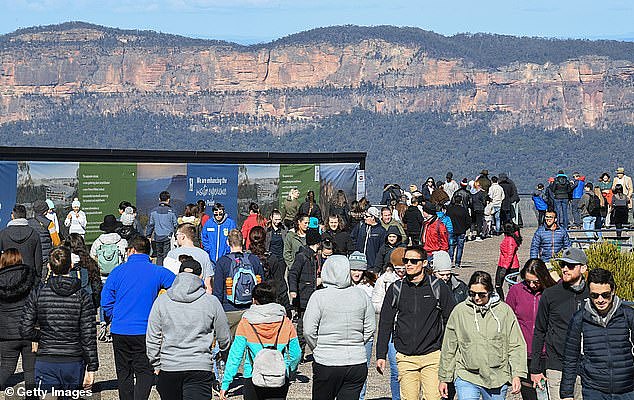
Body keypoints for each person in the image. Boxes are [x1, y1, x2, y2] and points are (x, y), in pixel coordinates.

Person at [101, 236, 176, 400]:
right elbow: (178, 286)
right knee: (145, 371)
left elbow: (105, 301)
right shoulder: (157, 271)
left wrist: (113, 316)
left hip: (120, 329)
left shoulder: (117, 271)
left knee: (124, 372)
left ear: (131, 250)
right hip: (145, 330)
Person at [376, 246, 456, 400]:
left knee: (434, 397)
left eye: (414, 261)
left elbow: (451, 320)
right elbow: (385, 322)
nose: (408, 264)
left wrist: (446, 349)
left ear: (424, 263)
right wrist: (381, 354)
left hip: (433, 355)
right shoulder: (396, 289)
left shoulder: (438, 287)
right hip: (406, 357)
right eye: (406, 261)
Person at [146, 258, 231, 400]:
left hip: (170, 365)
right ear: (201, 277)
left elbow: (152, 336)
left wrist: (156, 362)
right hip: (200, 365)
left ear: (178, 275)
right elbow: (224, 336)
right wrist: (223, 352)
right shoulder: (211, 302)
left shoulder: (162, 300)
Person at [21, 246, 98, 392]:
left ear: (49, 266)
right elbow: (88, 336)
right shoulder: (82, 296)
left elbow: (25, 329)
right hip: (73, 359)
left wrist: (42, 335)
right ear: (71, 265)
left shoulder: (38, 293)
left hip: (47, 358)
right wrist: (92, 367)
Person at [438, 271, 525, 400]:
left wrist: (517, 374)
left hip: (497, 376)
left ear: (490, 292)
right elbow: (449, 347)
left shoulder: (504, 311)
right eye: (472, 294)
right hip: (466, 374)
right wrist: (444, 378)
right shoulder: (460, 311)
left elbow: (516, 344)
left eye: (482, 294)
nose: (477, 298)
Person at [303, 255, 376, 400]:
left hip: (327, 360)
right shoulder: (361, 295)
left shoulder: (319, 296)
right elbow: (370, 327)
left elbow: (308, 330)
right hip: (356, 361)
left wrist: (317, 347)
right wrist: (357, 343)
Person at [220, 281, 302, 400]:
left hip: (252, 377)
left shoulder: (246, 322)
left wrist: (226, 383)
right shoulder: (285, 322)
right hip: (279, 377)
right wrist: (289, 371)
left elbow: (235, 355)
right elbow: (296, 354)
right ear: (275, 299)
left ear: (254, 300)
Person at [561, 268, 634, 400]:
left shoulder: (628, 315)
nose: (600, 300)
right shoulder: (580, 319)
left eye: (605, 295)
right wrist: (567, 393)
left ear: (613, 291)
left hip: (627, 389)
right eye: (595, 295)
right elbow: (570, 357)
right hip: (594, 390)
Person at [530, 247, 589, 400]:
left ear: (583, 268)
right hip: (557, 366)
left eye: (570, 265)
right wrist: (535, 368)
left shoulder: (593, 294)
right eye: (563, 264)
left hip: (586, 367)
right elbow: (540, 331)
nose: (565, 269)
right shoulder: (551, 294)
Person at [506, 258, 557, 400]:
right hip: (525, 353)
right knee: (530, 395)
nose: (532, 285)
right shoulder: (516, 291)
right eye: (528, 281)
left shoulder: (552, 292)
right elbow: (507, 320)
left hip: (549, 353)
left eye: (536, 281)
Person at [213, 229, 264, 335]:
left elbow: (217, 291)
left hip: (229, 310)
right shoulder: (253, 259)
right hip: (250, 310)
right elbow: (261, 286)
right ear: (243, 242)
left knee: (230, 345)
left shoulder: (223, 262)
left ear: (228, 242)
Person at [0, 249, 37, 396]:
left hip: (6, 332)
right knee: (30, 369)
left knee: (7, 367)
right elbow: (37, 303)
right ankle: (32, 394)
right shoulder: (30, 276)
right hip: (28, 328)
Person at [371, 248, 406, 400]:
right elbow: (375, 303)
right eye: (398, 269)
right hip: (392, 328)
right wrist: (389, 308)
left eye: (403, 268)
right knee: (396, 369)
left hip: (408, 328)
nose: (401, 272)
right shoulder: (384, 280)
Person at [288, 228, 322, 359]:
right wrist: (293, 290)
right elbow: (293, 273)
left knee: (311, 324)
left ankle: (306, 351)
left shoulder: (312, 257)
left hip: (309, 294)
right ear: (317, 243)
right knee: (302, 326)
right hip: (303, 296)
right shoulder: (302, 257)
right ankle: (299, 352)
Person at [347, 251, 376, 400]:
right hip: (347, 335)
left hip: (365, 337)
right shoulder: (343, 286)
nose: (357, 273)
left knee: (362, 371)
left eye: (359, 270)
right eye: (354, 269)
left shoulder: (370, 287)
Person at [249, 226, 292, 317]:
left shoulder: (246, 258)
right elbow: (280, 283)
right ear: (265, 239)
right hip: (268, 300)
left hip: (250, 301)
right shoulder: (271, 258)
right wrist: (287, 307)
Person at [165, 223, 215, 293]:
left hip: (178, 295)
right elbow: (208, 284)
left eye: (177, 235)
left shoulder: (172, 254)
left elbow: (167, 280)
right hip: (199, 295)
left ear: (183, 236)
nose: (176, 238)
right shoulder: (204, 254)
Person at [0, 204, 42, 285]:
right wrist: (37, 279)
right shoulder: (34, 234)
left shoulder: (3, 234)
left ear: (12, 216)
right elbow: (38, 260)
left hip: (7, 278)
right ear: (25, 216)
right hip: (28, 278)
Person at [28, 199, 61, 277]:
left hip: (31, 256)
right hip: (44, 258)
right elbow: (57, 242)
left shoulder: (28, 222)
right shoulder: (50, 224)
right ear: (45, 211)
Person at [146, 191, 179, 266]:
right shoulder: (172, 211)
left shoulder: (153, 211)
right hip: (168, 237)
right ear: (168, 200)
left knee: (159, 256)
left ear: (159, 199)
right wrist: (177, 237)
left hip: (157, 237)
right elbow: (175, 225)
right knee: (167, 256)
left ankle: (159, 272)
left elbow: (151, 224)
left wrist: (148, 236)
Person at [496, 222, 522, 300]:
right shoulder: (510, 237)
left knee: (501, 285)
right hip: (505, 264)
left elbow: (509, 255)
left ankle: (505, 301)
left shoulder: (510, 239)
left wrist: (504, 268)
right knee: (501, 285)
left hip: (508, 266)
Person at [445, 196, 470, 268]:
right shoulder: (464, 210)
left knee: (451, 247)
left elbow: (446, 219)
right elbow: (468, 221)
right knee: (460, 247)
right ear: (461, 201)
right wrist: (465, 228)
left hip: (451, 230)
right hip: (461, 230)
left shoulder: (450, 210)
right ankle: (457, 263)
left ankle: (449, 262)